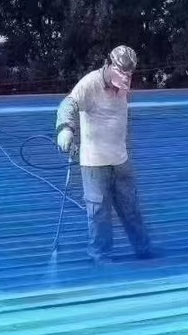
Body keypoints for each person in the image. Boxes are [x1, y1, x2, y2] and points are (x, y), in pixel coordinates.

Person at [55, 45, 156, 265]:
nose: (126, 79)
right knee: (99, 212)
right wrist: (65, 129)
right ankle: (100, 257)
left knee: (131, 208)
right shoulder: (89, 84)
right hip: (94, 163)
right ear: (108, 65)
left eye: (130, 74)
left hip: (120, 159)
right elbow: (68, 104)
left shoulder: (123, 83)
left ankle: (144, 249)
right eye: (122, 73)